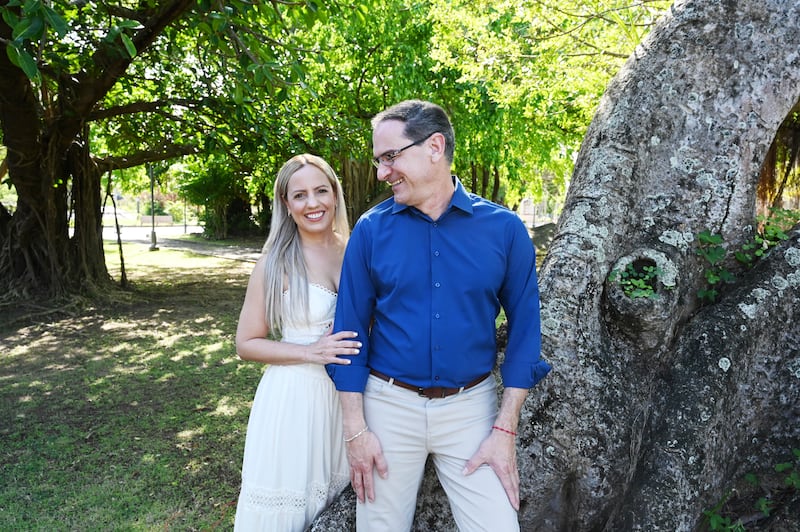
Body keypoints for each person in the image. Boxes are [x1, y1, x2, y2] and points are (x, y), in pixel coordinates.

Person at [326, 100, 551, 531]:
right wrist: (356, 430)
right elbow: (349, 335)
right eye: (378, 161)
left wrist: (505, 429)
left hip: (473, 411)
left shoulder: (504, 230)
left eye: (390, 157)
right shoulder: (371, 231)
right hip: (387, 407)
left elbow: (525, 334)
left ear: (434, 146)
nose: (381, 173)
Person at [234, 154, 362, 531]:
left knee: (332, 505)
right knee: (288, 508)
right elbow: (246, 343)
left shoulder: (355, 249)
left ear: (335, 195)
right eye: (300, 195)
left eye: (321, 191)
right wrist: (310, 351)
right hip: (293, 400)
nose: (313, 203)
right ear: (287, 205)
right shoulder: (275, 261)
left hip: (346, 402)